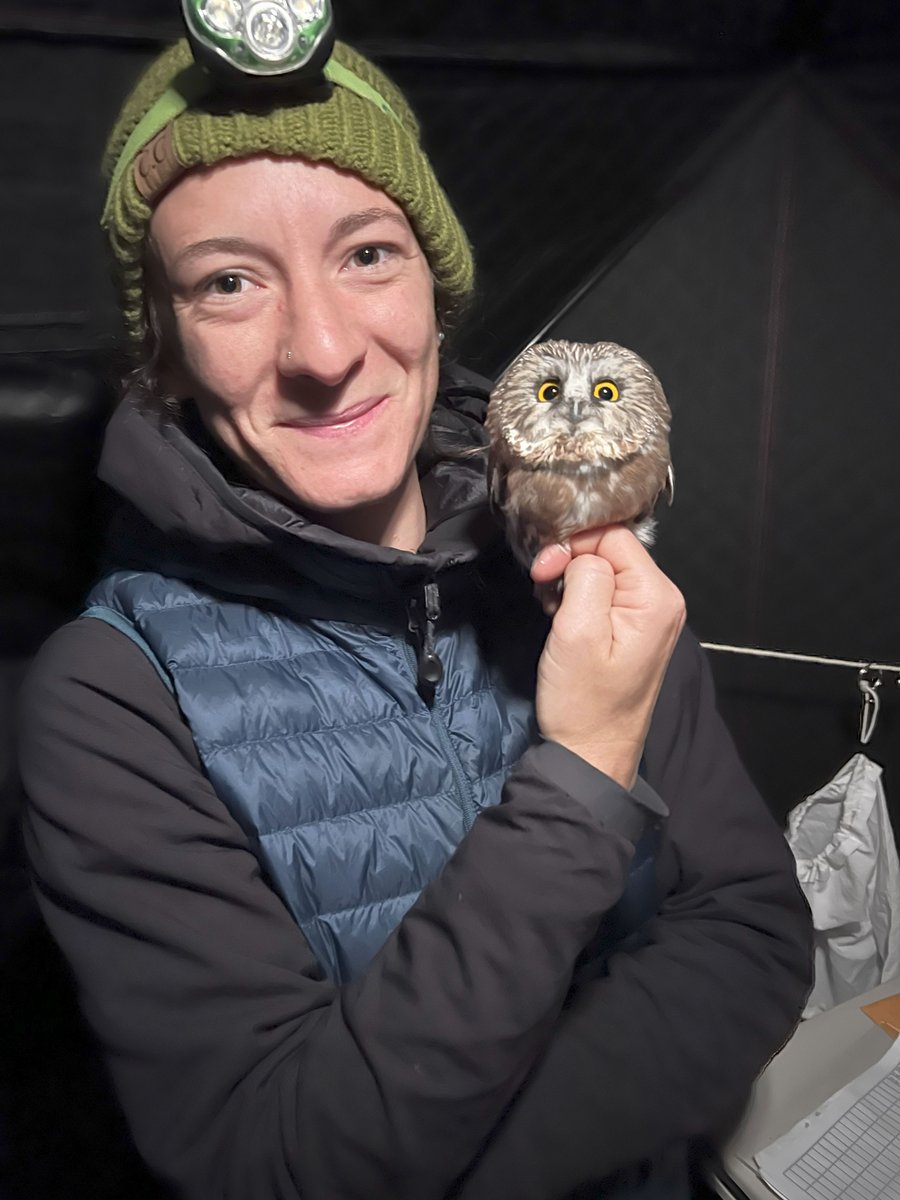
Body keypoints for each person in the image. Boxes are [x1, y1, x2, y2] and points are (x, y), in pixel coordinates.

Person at [18, 33, 812, 1200]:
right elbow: (275, 1160)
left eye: (369, 254)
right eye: (229, 281)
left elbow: (751, 936)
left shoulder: (589, 573)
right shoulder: (109, 704)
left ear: (438, 294)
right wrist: (584, 770)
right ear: (169, 353)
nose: (326, 350)